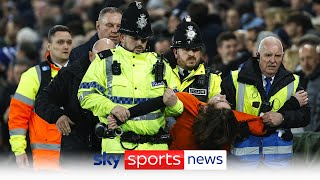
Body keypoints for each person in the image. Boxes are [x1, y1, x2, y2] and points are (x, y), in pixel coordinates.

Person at [78, 1, 183, 153]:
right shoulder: (104, 61)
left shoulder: (161, 64)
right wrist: (111, 107)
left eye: (144, 39)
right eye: (135, 38)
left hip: (155, 150)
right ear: (122, 37)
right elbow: (85, 95)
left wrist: (174, 104)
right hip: (118, 148)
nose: (140, 43)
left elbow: (177, 108)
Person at [107, 90, 308, 151]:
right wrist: (292, 103)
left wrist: (125, 114)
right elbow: (266, 121)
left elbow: (157, 102)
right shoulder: (233, 120)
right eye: (225, 101)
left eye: (220, 100)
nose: (222, 96)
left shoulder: (193, 108)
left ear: (206, 110)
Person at [221, 36, 310, 169]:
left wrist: (283, 118)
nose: (273, 61)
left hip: (279, 164)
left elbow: (305, 116)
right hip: (243, 163)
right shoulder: (234, 80)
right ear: (258, 55)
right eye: (268, 55)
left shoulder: (293, 82)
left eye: (278, 56)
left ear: (283, 56)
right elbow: (222, 117)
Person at [35, 38, 115, 167]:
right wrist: (57, 116)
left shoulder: (126, 77)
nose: (104, 64)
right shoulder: (69, 75)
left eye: (109, 59)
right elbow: (42, 99)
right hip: (77, 152)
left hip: (111, 151)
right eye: (99, 59)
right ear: (90, 56)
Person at [8, 25, 73, 170]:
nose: (65, 46)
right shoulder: (33, 75)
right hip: (46, 157)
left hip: (78, 153)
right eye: (60, 42)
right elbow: (18, 115)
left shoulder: (82, 72)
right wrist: (19, 150)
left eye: (69, 42)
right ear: (49, 45)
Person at [170, 16, 221, 102]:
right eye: (186, 49)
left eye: (195, 49)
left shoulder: (212, 78)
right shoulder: (165, 74)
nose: (191, 54)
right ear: (175, 52)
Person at [298, 44, 320, 132]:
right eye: (302, 59)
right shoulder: (306, 80)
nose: (305, 63)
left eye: (309, 58)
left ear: (317, 59)